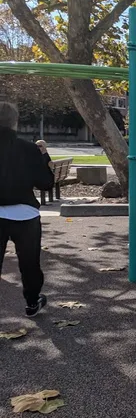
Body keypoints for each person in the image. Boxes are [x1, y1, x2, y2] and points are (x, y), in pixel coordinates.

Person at [0, 102, 54, 317]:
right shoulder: (28, 148)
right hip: (24, 213)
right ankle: (32, 301)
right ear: (15, 122)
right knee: (29, 262)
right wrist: (44, 155)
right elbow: (46, 183)